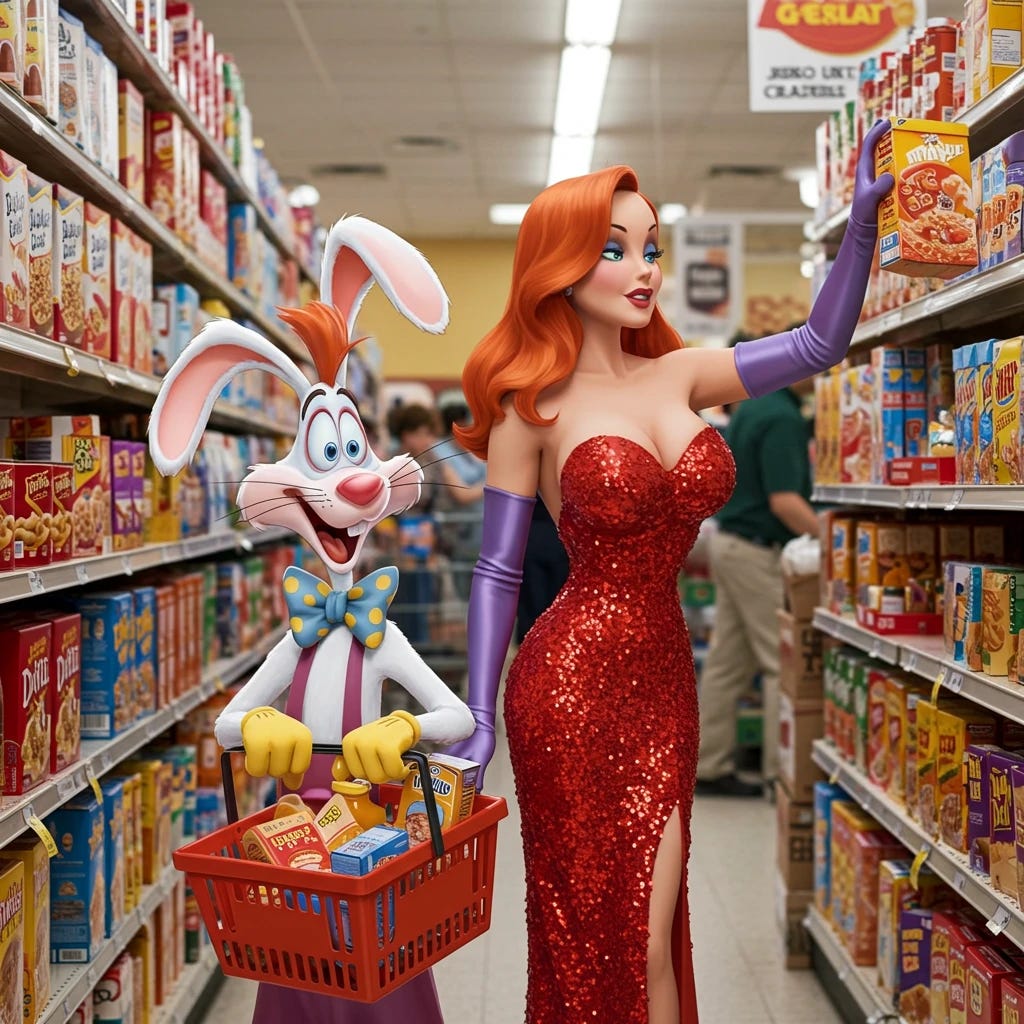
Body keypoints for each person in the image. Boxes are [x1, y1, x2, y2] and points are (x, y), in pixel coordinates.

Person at [447, 120, 891, 1023]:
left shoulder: (684, 374)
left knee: (653, 928)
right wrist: (477, 716)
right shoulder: (531, 409)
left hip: (662, 683)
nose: (643, 268)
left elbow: (817, 345)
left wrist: (859, 232)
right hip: (566, 687)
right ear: (562, 266)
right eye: (614, 249)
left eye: (651, 247)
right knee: (593, 932)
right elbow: (496, 570)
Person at [694, 373, 819, 799]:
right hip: (755, 552)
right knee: (779, 662)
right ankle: (779, 774)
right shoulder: (782, 417)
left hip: (731, 543)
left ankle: (708, 765)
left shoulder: (754, 405)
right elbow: (785, 502)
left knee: (728, 663)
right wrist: (834, 541)